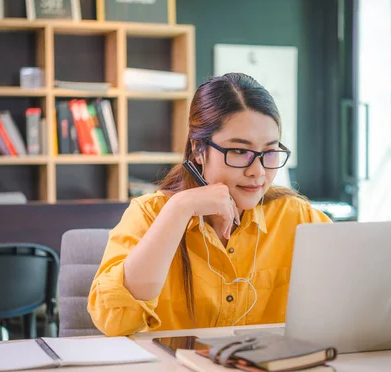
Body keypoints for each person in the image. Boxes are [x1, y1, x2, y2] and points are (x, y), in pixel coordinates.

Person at [87, 72, 332, 337]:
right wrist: (180, 209)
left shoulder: (295, 217)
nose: (258, 172)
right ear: (198, 150)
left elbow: (355, 294)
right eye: (240, 151)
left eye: (269, 152)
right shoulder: (150, 214)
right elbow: (114, 321)